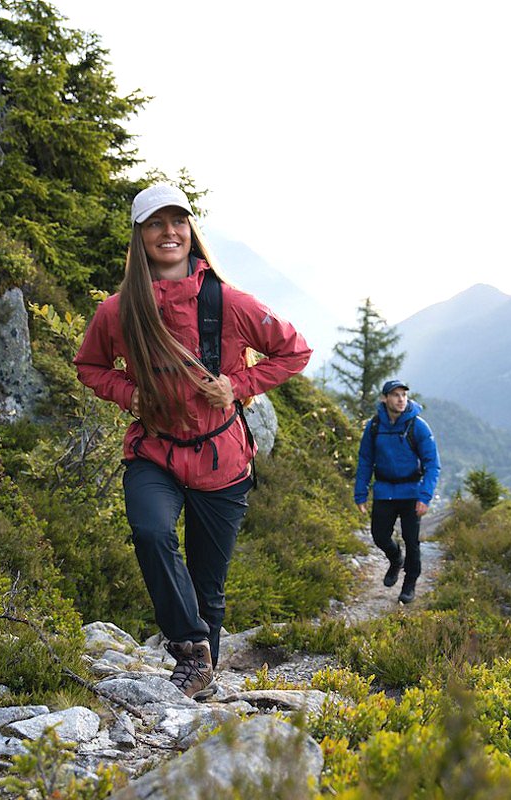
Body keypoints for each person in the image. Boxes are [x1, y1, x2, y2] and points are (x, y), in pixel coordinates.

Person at [74, 183, 311, 699]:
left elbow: (293, 350)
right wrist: (127, 393)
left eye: (177, 221)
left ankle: (202, 681)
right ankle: (190, 649)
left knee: (208, 585)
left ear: (191, 230)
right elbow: (89, 366)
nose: (169, 232)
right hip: (153, 450)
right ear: (139, 236)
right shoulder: (118, 310)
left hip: (220, 456)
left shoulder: (228, 301)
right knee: (151, 531)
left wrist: (238, 386)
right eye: (156, 223)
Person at [354, 379, 441, 604]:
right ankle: (395, 559)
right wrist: (360, 494)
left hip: (411, 491)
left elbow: (432, 463)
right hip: (384, 490)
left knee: (412, 540)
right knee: (380, 536)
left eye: (404, 395)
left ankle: (410, 583)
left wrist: (425, 496)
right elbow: (365, 460)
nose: (401, 399)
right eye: (395, 395)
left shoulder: (417, 426)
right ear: (385, 399)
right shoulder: (374, 427)